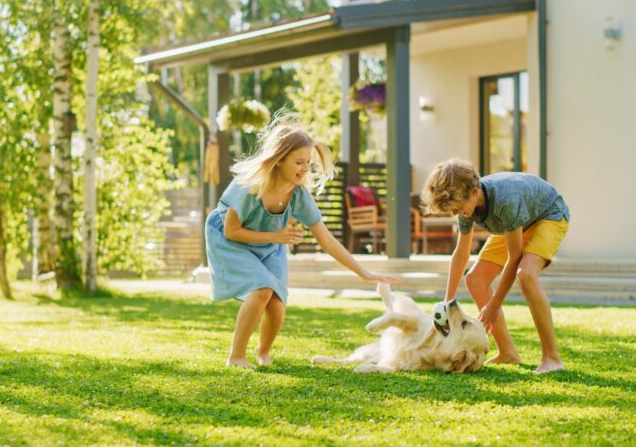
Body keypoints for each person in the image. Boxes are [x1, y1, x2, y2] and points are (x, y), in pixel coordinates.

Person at [205, 114, 398, 368]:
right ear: (278, 159)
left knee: (276, 304)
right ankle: (236, 356)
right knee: (261, 289)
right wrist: (275, 236)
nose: (305, 169)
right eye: (298, 162)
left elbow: (326, 239)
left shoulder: (297, 194)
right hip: (229, 241)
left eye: (308, 163)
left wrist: (363, 272)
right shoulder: (249, 187)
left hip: (268, 244)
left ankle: (263, 353)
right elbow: (231, 231)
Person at [421, 159, 570, 374]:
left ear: (474, 192)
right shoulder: (466, 207)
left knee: (526, 274)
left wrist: (494, 304)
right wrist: (448, 302)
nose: (456, 214)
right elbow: (461, 253)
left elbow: (515, 256)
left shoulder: (506, 199)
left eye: (458, 208)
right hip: (515, 225)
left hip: (549, 216)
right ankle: (508, 353)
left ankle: (552, 358)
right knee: (475, 279)